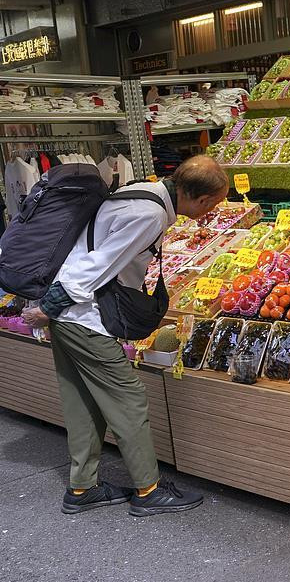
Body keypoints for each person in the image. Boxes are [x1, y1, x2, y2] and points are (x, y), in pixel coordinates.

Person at [21, 155, 230, 517]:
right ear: (202, 200)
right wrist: (50, 307)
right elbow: (97, 265)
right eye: (216, 203)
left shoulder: (142, 191)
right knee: (128, 398)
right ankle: (148, 490)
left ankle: (82, 487)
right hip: (83, 317)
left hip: (72, 315)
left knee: (83, 402)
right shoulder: (148, 216)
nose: (214, 210)